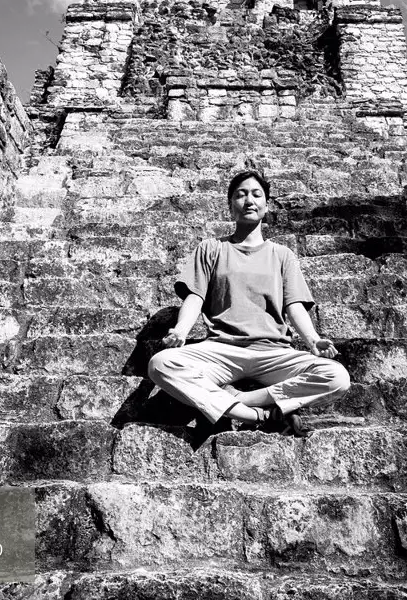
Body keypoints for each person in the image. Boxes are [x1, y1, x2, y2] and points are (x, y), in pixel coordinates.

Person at [147, 169, 351, 437]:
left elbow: (294, 305)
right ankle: (259, 414)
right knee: (160, 364)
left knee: (337, 377)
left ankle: (241, 400)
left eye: (257, 194)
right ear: (231, 206)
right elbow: (195, 296)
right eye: (241, 195)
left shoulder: (282, 255)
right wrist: (181, 331)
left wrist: (313, 340)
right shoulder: (211, 249)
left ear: (266, 206)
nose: (249, 200)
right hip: (221, 351)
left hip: (274, 353)